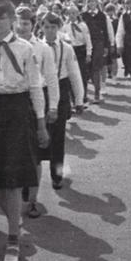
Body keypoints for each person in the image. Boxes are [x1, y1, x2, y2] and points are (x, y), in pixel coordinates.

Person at [0, 0, 49, 261]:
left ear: (12, 19)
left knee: (14, 180)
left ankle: (13, 237)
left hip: (18, 110)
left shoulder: (26, 48)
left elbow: (35, 88)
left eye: (2, 17)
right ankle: (15, 222)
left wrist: (41, 124)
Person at [15, 5, 59, 219]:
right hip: (15, 101)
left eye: (25, 23)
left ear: (33, 25)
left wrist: (53, 107)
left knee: (36, 154)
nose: (21, 27)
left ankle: (32, 200)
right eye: (18, 22)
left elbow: (51, 79)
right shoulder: (8, 46)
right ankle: (19, 193)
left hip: (37, 101)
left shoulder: (43, 48)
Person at [39, 12, 84, 189]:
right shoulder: (34, 46)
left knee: (58, 137)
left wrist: (79, 99)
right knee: (39, 134)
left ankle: (56, 175)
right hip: (40, 91)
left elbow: (75, 74)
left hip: (61, 89)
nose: (49, 31)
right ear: (41, 27)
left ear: (58, 28)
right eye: (46, 27)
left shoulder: (66, 48)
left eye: (53, 27)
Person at [82, 0, 112, 104]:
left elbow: (105, 32)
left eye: (94, 1)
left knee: (96, 68)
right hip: (86, 44)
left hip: (98, 43)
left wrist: (106, 46)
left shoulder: (102, 15)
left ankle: (97, 94)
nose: (92, 3)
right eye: (90, 1)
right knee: (87, 69)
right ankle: (85, 95)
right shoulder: (83, 15)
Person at [63, 4, 91, 107]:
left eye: (74, 13)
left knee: (82, 75)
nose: (71, 15)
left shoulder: (83, 25)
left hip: (81, 51)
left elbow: (88, 40)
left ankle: (83, 98)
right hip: (71, 51)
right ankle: (74, 100)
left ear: (78, 14)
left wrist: (89, 53)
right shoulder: (65, 26)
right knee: (72, 75)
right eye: (69, 13)